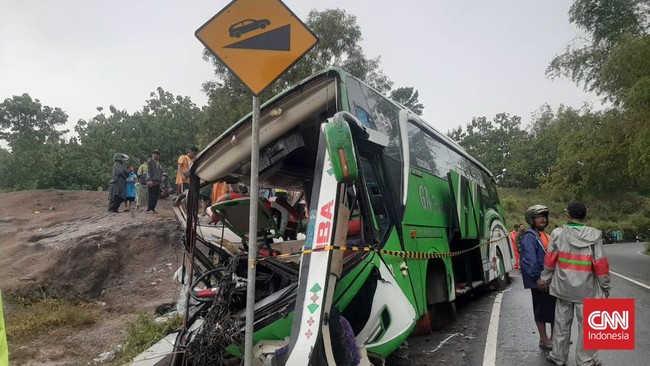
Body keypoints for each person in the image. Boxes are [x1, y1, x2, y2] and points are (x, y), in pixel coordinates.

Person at [542, 202, 610, 366]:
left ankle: (558, 356)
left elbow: (550, 260)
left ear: (568, 215)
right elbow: (600, 264)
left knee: (561, 323)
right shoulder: (594, 235)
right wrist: (605, 286)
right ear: (584, 216)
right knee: (588, 326)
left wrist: (545, 279)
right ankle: (586, 361)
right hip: (587, 289)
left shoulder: (558, 233)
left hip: (563, 288)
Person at [519, 204, 555, 351]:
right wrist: (537, 278)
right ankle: (543, 339)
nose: (543, 219)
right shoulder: (530, 236)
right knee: (540, 309)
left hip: (551, 279)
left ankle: (555, 338)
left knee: (555, 309)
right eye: (539, 217)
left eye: (544, 217)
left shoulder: (546, 235)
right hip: (540, 280)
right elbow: (529, 259)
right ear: (531, 219)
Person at [146, 149, 164, 214]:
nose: (156, 155)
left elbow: (161, 173)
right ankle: (149, 208)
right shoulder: (150, 162)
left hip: (158, 181)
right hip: (152, 180)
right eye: (154, 154)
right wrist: (149, 180)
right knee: (151, 195)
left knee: (156, 196)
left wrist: (161, 182)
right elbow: (148, 171)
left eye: (157, 154)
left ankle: (153, 208)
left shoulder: (159, 163)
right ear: (152, 155)